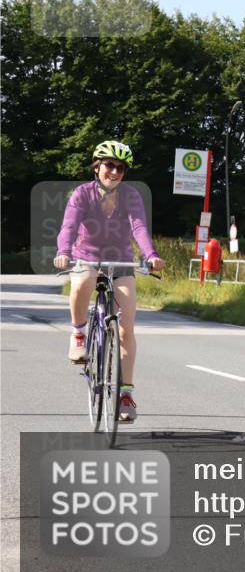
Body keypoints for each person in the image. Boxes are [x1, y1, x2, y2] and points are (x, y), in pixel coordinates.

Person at [52, 141, 165, 423]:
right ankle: (79, 334)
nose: (114, 172)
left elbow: (139, 226)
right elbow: (69, 226)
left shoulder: (131, 196)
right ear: (97, 167)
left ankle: (125, 395)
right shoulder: (82, 194)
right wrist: (64, 252)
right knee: (83, 281)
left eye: (120, 168)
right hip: (86, 257)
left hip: (120, 262)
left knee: (126, 329)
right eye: (109, 165)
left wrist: (150, 255)